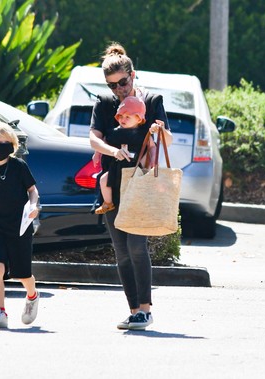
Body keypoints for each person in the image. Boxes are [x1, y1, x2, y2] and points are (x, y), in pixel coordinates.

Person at [89, 42, 173, 330]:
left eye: (122, 82)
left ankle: (146, 310)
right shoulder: (104, 103)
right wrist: (111, 151)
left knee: (137, 246)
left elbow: (167, 142)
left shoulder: (151, 101)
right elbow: (93, 139)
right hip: (113, 182)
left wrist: (158, 130)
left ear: (132, 75)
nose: (119, 90)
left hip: (139, 184)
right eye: (112, 86)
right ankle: (134, 310)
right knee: (121, 250)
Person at [0, 122, 40, 328]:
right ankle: (0, 312)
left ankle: (32, 295)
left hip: (21, 226)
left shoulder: (19, 166)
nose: (2, 145)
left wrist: (33, 205)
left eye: (6, 142)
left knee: (22, 274)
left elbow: (32, 190)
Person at [94, 95, 156, 215]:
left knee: (134, 188)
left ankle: (134, 204)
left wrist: (153, 159)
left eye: (128, 117)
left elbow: (152, 147)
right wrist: (97, 154)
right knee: (103, 180)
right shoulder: (114, 132)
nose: (123, 119)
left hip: (135, 168)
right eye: (121, 116)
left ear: (139, 119)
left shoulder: (144, 134)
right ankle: (108, 203)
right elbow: (103, 143)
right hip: (116, 167)